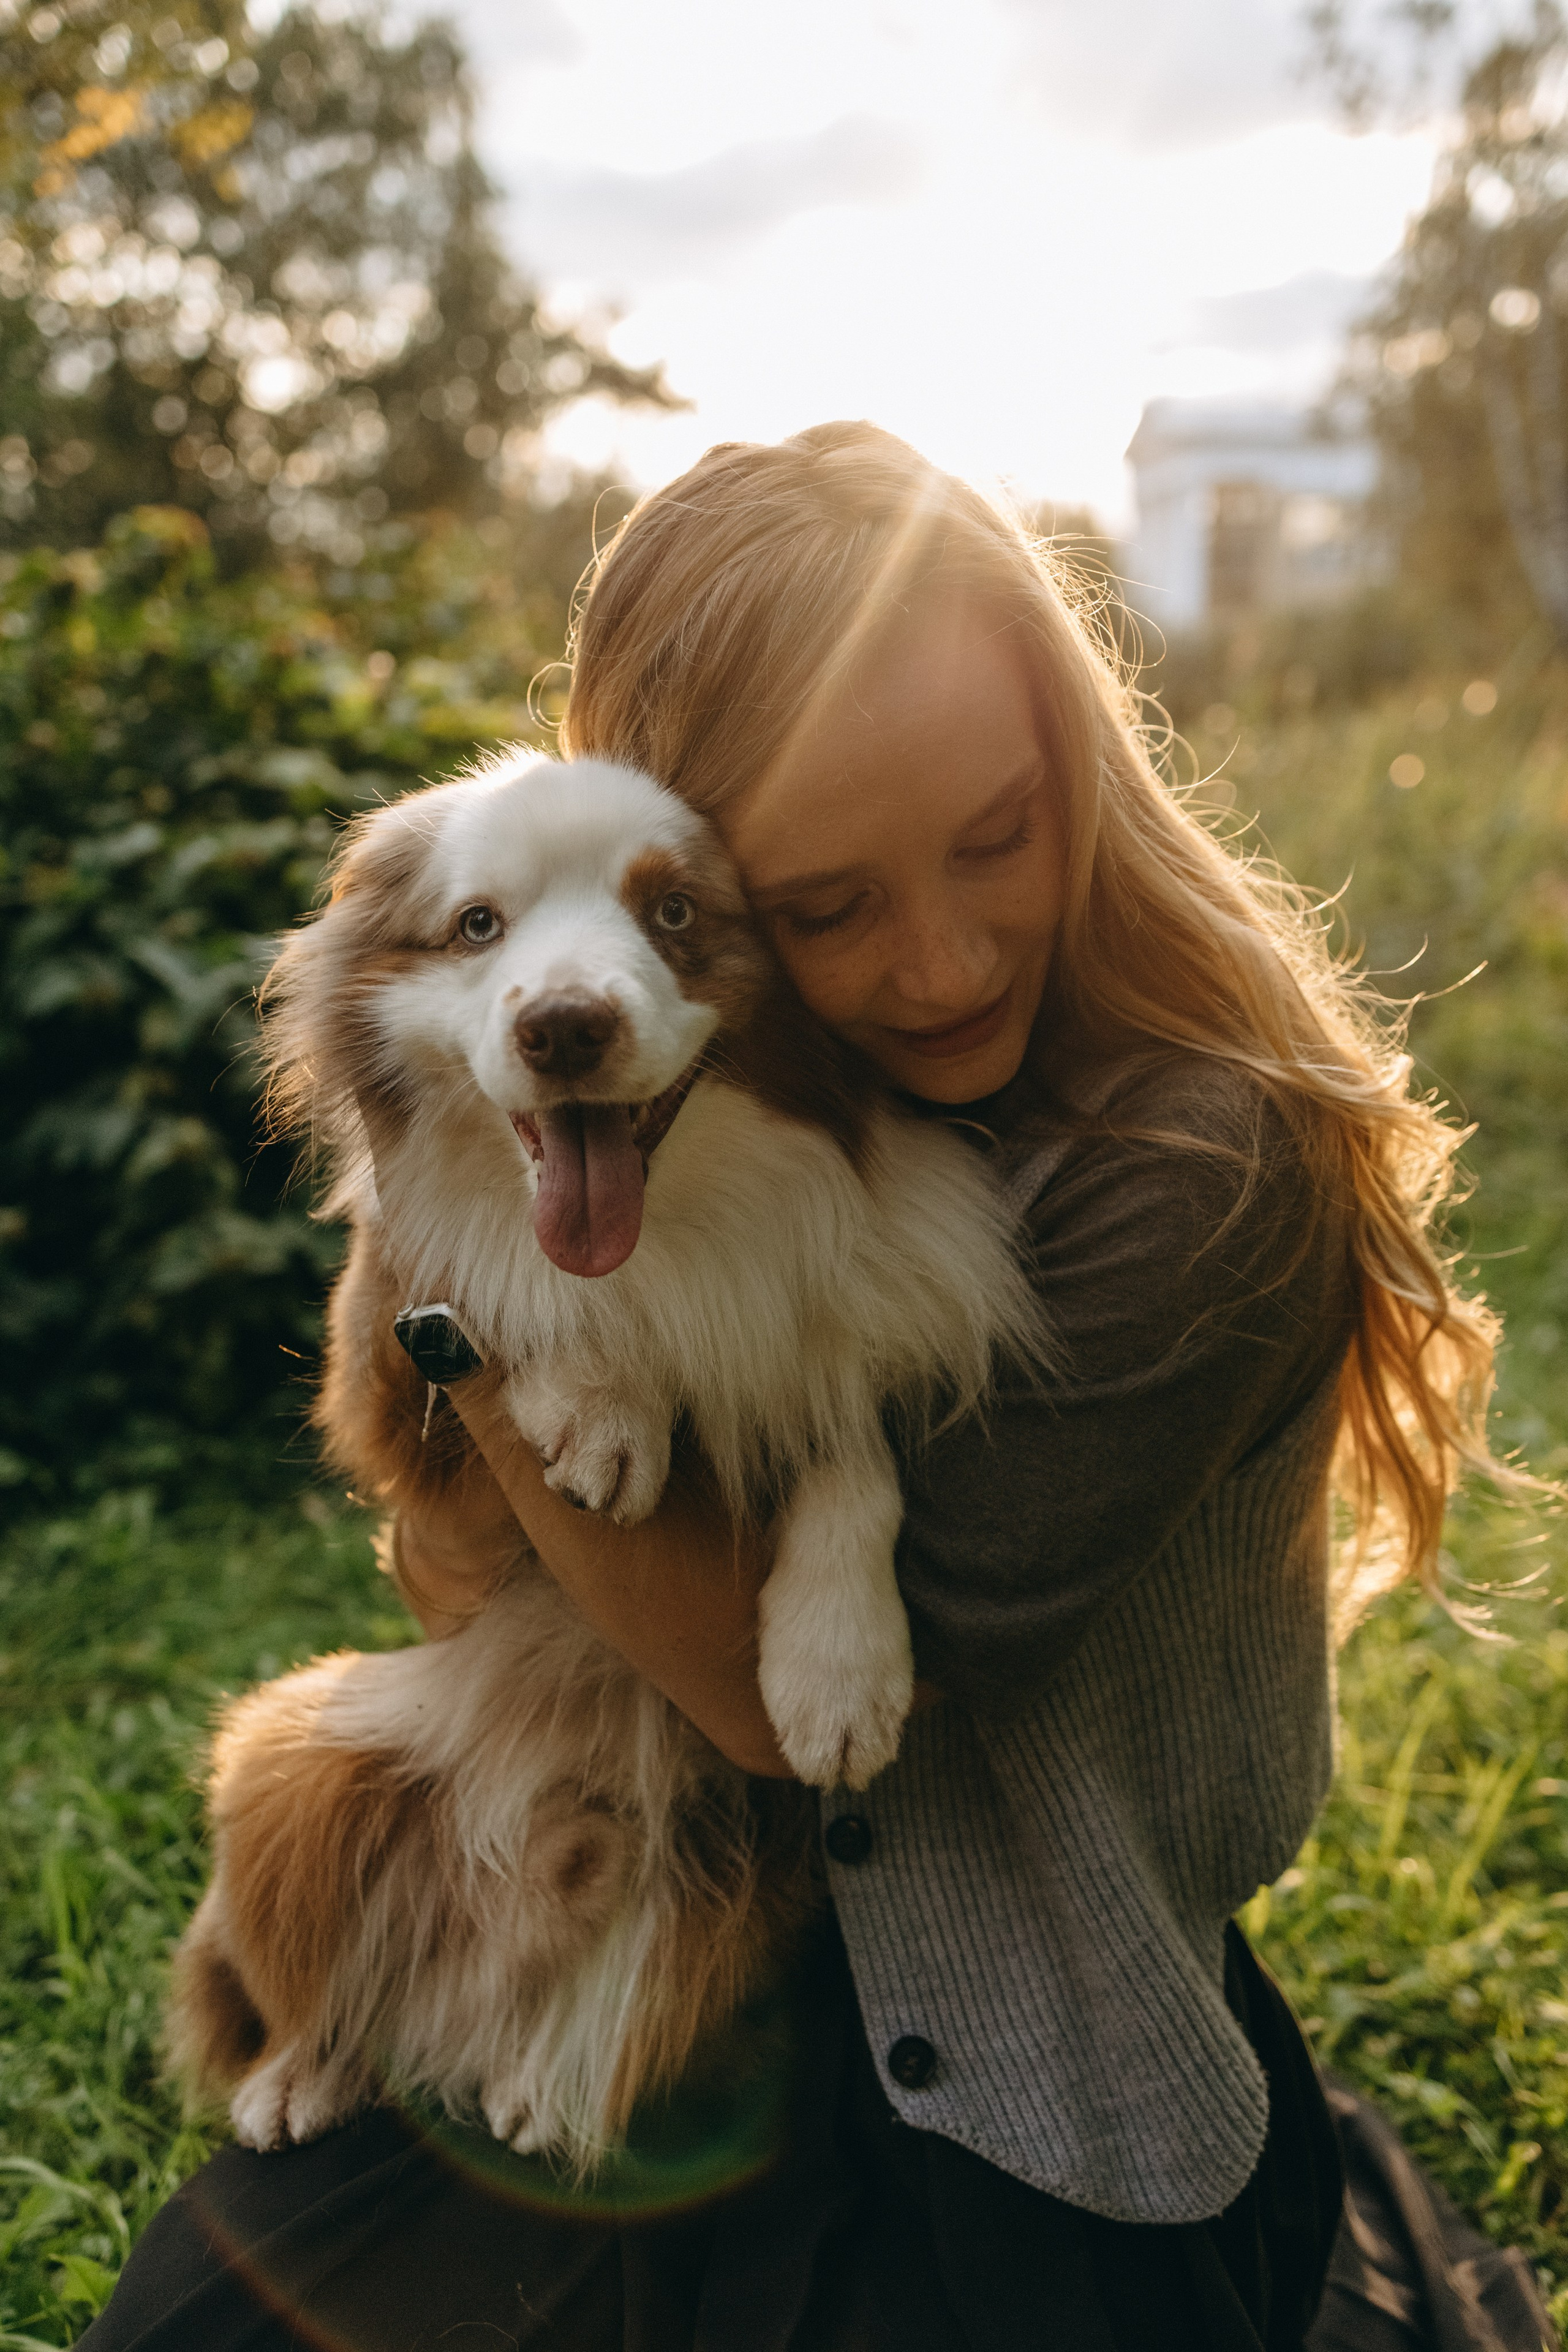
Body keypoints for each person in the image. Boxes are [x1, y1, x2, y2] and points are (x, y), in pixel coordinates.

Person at [84, 424, 1520, 2352]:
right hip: (632, 1924)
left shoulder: (1198, 1172)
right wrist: (452, 1260)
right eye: (832, 905)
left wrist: (486, 1336)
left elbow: (763, 1707)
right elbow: (441, 1570)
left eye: (997, 839)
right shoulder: (717, 1114)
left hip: (1029, 2074)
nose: (934, 961)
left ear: (1079, 774)